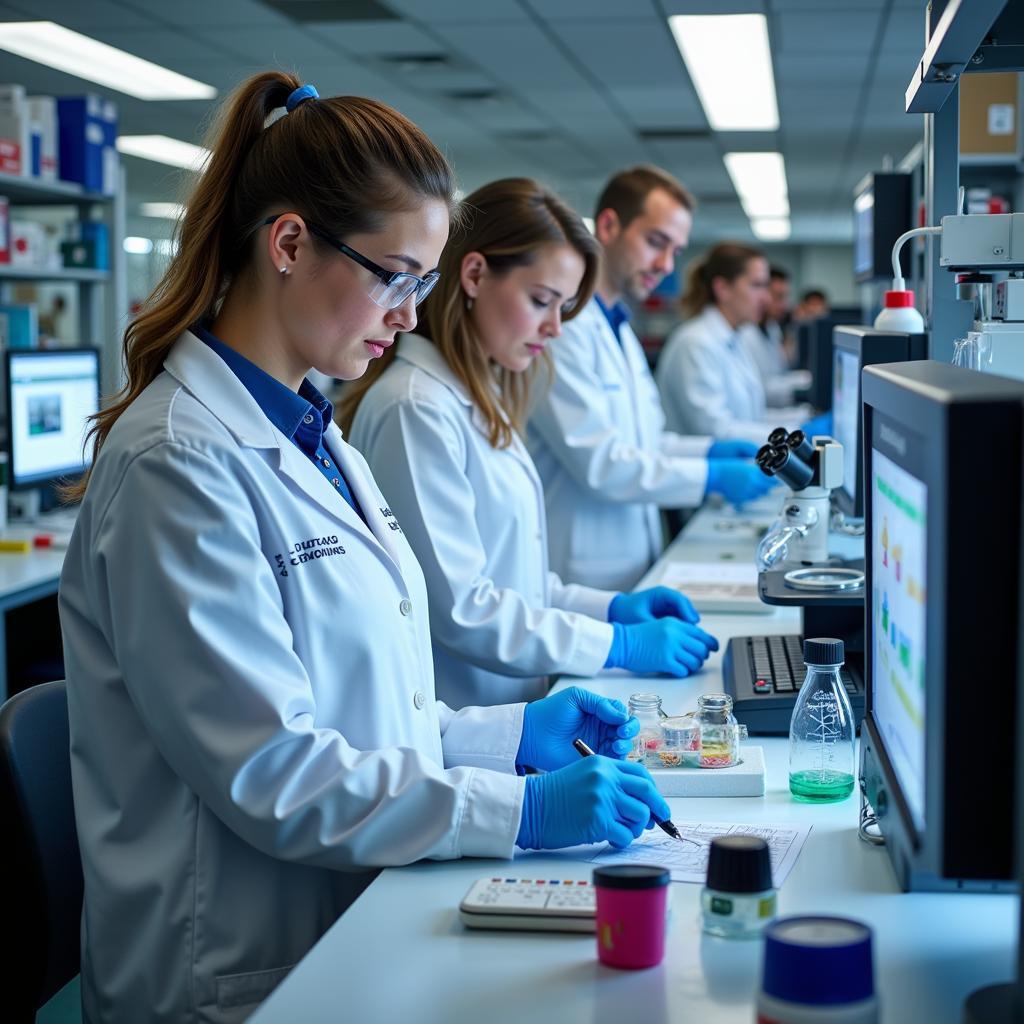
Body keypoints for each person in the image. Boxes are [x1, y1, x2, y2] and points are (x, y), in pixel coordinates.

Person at [58, 74, 670, 1024]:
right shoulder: (177, 462)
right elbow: (273, 769)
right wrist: (520, 812)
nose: (412, 315)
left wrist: (506, 740)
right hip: (234, 970)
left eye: (424, 283)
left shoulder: (316, 432)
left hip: (349, 918)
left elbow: (367, 707)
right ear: (291, 243)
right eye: (395, 276)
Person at [341, 178, 718, 709]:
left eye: (563, 307)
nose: (554, 329)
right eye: (542, 300)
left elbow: (514, 576)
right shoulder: (416, 409)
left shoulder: (483, 393)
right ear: (473, 274)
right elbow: (462, 609)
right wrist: (617, 644)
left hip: (513, 699)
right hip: (464, 715)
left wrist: (610, 608)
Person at [525, 166, 772, 591]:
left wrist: (710, 451)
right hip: (580, 568)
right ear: (608, 225)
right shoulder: (562, 329)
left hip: (635, 553)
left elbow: (647, 441)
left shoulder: (619, 327)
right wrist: (708, 477)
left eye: (675, 251)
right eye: (656, 242)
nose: (664, 264)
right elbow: (600, 463)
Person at [657, 242, 809, 445]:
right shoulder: (696, 343)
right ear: (723, 288)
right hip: (704, 471)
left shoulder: (735, 339)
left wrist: (802, 422)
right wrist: (795, 433)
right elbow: (718, 430)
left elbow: (752, 418)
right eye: (757, 286)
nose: (765, 298)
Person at [746, 264, 811, 407]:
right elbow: (759, 390)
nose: (785, 304)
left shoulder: (772, 328)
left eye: (785, 297)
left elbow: (778, 376)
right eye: (779, 297)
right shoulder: (746, 334)